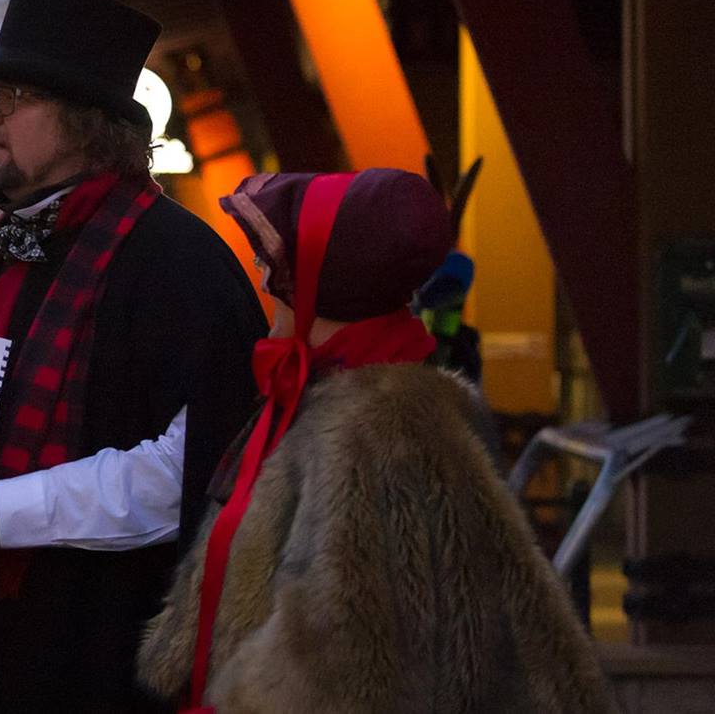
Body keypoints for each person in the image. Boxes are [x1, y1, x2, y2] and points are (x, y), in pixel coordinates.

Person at [0, 0, 265, 711]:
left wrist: (8, 511)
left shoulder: (176, 261)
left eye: (10, 96)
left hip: (90, 658)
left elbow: (199, 465)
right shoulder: (7, 250)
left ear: (85, 120)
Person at [137, 169, 614, 712]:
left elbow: (352, 659)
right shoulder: (322, 394)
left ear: (322, 279)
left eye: (273, 265)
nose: (265, 281)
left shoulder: (374, 425)